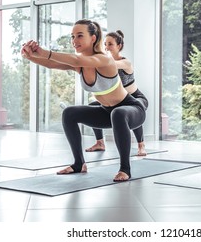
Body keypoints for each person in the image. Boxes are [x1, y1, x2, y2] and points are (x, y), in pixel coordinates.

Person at [21, 19, 146, 181]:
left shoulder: (105, 59)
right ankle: (79, 164)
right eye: (72, 36)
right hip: (107, 112)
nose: (74, 41)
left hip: (131, 109)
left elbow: (76, 60)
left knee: (118, 112)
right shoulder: (79, 64)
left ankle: (125, 169)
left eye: (80, 36)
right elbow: (52, 64)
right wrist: (30, 56)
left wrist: (44, 51)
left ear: (93, 38)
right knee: (69, 113)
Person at [85, 30, 148, 156]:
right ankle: (100, 143)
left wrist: (95, 59)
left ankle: (141, 145)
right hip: (116, 101)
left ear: (119, 46)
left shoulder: (125, 63)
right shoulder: (105, 62)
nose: (106, 47)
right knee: (92, 106)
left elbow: (112, 64)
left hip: (135, 98)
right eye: (105, 44)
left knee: (133, 110)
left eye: (110, 44)